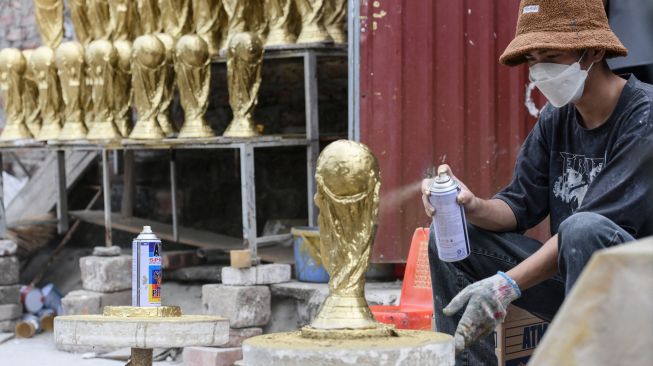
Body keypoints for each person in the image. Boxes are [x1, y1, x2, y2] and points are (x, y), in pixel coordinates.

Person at [421, 1, 653, 365]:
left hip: (637, 293)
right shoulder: (555, 118)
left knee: (582, 227)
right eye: (533, 59)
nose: (539, 70)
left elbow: (586, 231)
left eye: (550, 56)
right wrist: (469, 205)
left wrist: (505, 285)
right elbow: (516, 208)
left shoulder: (645, 118)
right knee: (451, 238)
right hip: (572, 278)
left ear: (592, 51)